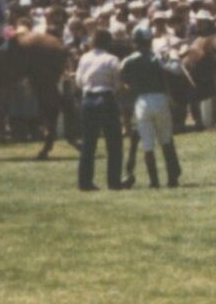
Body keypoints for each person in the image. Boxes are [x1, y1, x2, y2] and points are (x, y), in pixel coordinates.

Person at [121, 25, 182, 188]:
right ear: (149, 41)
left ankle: (154, 181)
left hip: (141, 102)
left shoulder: (128, 60)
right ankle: (172, 179)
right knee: (166, 140)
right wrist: (174, 54)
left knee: (147, 145)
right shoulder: (157, 57)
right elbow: (176, 70)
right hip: (160, 99)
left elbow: (121, 79)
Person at [74, 28, 125, 191]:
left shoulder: (84, 58)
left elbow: (79, 81)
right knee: (114, 142)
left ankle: (84, 181)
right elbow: (117, 83)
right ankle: (113, 180)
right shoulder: (112, 59)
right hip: (106, 97)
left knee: (89, 142)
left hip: (88, 99)